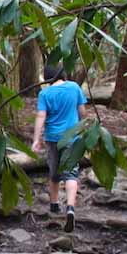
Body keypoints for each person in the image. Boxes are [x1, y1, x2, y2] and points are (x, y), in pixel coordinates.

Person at [31, 66, 88, 233]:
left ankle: (54, 205)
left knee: (54, 173)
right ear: (63, 74)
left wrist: (36, 139)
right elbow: (82, 112)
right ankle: (70, 208)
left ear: (48, 78)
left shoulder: (45, 94)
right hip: (72, 137)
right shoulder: (74, 87)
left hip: (52, 138)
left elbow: (41, 116)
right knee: (71, 173)